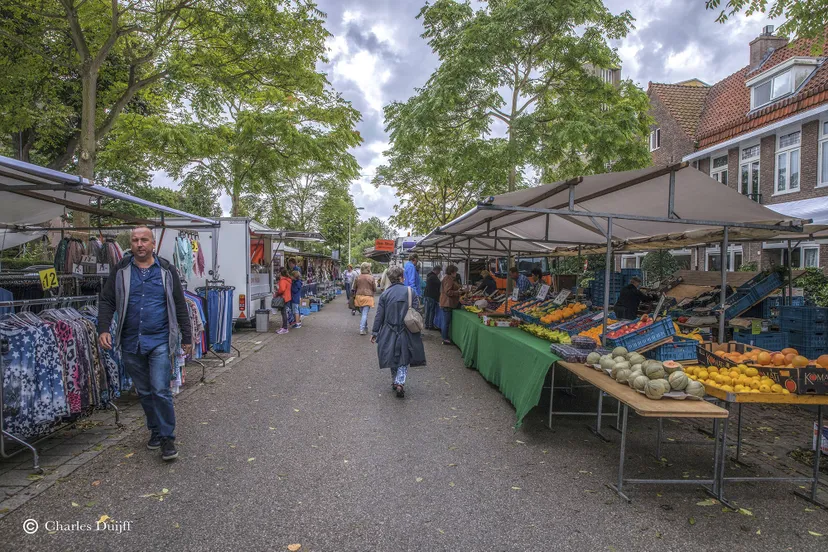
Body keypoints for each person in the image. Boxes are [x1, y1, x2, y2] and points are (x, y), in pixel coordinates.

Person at [98, 227, 192, 462]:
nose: (139, 244)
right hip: (130, 341)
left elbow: (180, 304)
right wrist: (103, 328)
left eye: (144, 240)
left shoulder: (167, 271)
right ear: (131, 244)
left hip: (160, 339)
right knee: (145, 391)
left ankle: (168, 438)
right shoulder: (121, 270)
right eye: (135, 240)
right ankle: (156, 430)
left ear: (153, 244)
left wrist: (188, 337)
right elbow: (107, 300)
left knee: (160, 389)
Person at [371, 265, 426, 398]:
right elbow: (416, 311)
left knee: (392, 356)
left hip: (389, 330)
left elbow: (380, 315)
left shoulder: (385, 294)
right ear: (402, 277)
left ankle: (395, 381)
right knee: (404, 357)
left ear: (389, 278)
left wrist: (375, 332)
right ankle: (400, 382)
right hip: (407, 330)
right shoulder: (410, 291)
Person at [439, 264, 462, 345]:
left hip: (447, 303)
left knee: (446, 322)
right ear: (452, 272)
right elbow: (448, 292)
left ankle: (445, 337)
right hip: (447, 303)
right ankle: (445, 338)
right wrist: (457, 292)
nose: (456, 273)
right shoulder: (448, 279)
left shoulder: (448, 278)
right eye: (455, 272)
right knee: (446, 322)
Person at [353, 262, 377, 335]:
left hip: (359, 297)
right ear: (368, 268)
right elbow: (374, 288)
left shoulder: (358, 277)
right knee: (365, 313)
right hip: (368, 297)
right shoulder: (371, 277)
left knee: (363, 313)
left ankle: (365, 328)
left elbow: (354, 287)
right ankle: (361, 328)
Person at [424, 265, 442, 331]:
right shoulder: (434, 277)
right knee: (431, 311)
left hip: (427, 295)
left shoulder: (429, 275)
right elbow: (440, 284)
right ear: (436, 270)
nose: (439, 272)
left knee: (427, 311)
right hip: (431, 296)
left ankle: (426, 324)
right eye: (439, 271)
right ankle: (430, 325)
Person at [274, 267, 292, 334]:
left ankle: (285, 328)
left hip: (283, 297)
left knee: (283, 313)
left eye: (278, 272)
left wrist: (277, 293)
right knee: (284, 313)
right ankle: (283, 327)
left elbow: (282, 290)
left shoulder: (282, 280)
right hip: (287, 297)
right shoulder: (288, 280)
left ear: (280, 273)